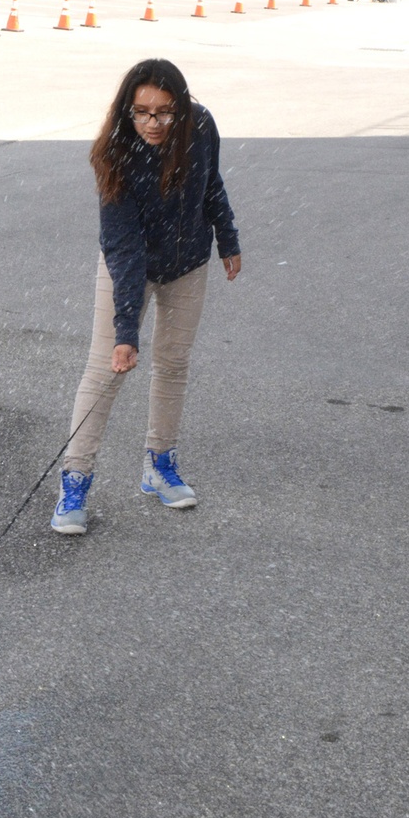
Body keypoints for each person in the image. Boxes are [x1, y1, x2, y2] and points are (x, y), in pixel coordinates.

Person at [51, 59, 241, 536]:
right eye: (141, 112)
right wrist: (126, 330)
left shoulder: (200, 126)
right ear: (126, 110)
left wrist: (228, 238)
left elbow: (210, 184)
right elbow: (123, 246)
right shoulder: (114, 153)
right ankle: (74, 479)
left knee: (173, 365)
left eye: (164, 112)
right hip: (128, 265)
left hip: (188, 263)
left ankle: (159, 464)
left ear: (181, 107)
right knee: (104, 370)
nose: (153, 124)